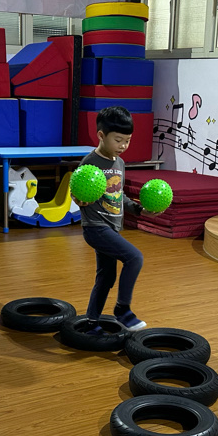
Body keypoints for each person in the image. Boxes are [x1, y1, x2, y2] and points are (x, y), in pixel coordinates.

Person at [74, 106, 148, 331]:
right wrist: (78, 199)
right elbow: (76, 190)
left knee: (106, 277)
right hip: (95, 227)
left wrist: (139, 210)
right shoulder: (90, 162)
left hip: (112, 228)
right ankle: (122, 309)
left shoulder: (120, 163)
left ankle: (91, 322)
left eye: (128, 140)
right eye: (118, 140)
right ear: (101, 135)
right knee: (134, 258)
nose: (123, 145)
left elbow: (119, 195)